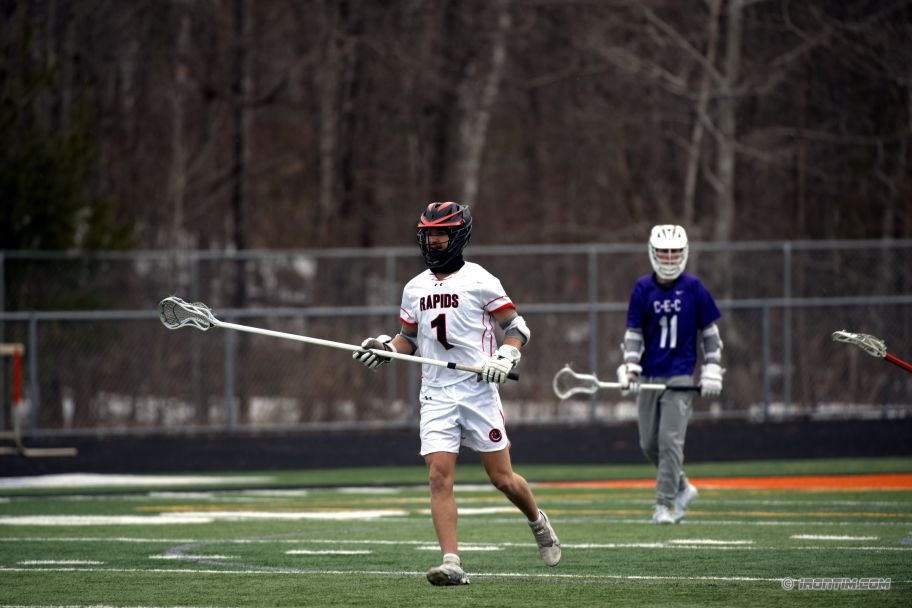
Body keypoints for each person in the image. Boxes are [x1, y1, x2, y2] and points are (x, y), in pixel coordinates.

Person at [353, 201, 561, 585]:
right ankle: (452, 562)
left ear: (458, 235)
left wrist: (506, 355)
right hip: (436, 394)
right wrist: (384, 348)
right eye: (429, 233)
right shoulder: (414, 288)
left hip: (478, 391)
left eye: (441, 233)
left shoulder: (481, 280)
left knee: (502, 479)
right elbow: (408, 339)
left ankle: (537, 521)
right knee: (438, 477)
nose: (434, 240)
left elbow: (517, 328)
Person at [616, 224, 724, 524]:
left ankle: (664, 505)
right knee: (648, 444)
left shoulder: (694, 287)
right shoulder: (642, 288)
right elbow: (634, 332)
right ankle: (682, 486)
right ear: (653, 253)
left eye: (675, 252)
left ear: (684, 252)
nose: (669, 257)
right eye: (664, 252)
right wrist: (631, 366)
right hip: (649, 375)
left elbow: (710, 333)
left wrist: (712, 367)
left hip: (680, 375)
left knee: (669, 442)